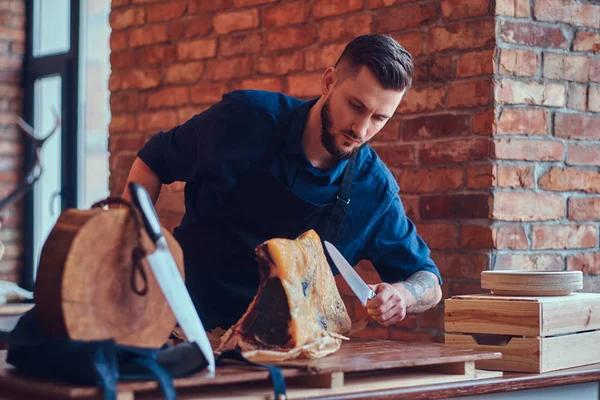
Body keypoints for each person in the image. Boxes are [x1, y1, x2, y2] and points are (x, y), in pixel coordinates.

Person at [123, 34, 442, 332]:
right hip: (178, 327)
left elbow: (428, 279)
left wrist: (404, 294)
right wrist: (129, 245)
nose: (360, 129)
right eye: (356, 106)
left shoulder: (373, 189)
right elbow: (152, 163)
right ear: (329, 81)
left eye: (379, 118)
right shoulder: (244, 119)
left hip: (282, 353)